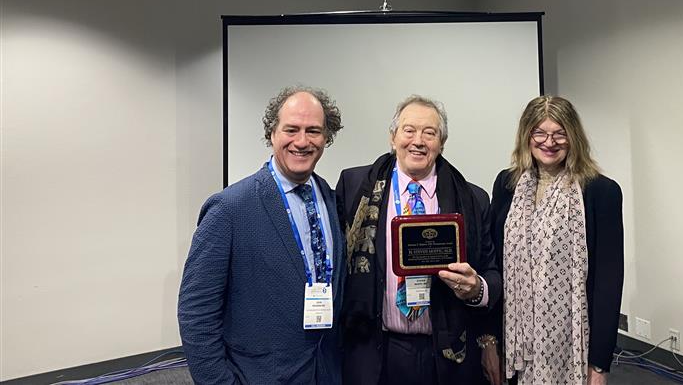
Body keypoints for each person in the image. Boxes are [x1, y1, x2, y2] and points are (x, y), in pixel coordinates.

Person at [178, 86, 345, 385]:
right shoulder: (229, 209)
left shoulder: (333, 201)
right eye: (291, 129)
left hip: (325, 372)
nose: (302, 142)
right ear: (272, 134)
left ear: (326, 137)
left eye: (314, 131)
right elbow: (196, 312)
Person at [337, 95, 501, 385]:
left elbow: (491, 272)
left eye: (430, 133)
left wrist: (476, 289)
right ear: (393, 137)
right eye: (408, 130)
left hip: (448, 355)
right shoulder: (354, 187)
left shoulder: (473, 198)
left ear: (442, 143)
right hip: (375, 351)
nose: (418, 141)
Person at [480, 95, 623, 385]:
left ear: (573, 137)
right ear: (526, 136)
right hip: (515, 345)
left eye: (560, 134)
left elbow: (607, 283)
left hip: (571, 351)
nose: (549, 142)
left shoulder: (600, 192)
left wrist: (599, 366)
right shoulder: (507, 185)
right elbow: (494, 266)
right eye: (540, 133)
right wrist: (489, 340)